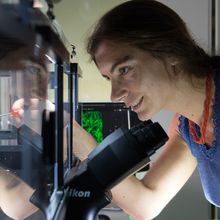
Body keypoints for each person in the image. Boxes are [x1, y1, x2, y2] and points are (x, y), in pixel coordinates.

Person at [73, 0, 220, 219]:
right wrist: (78, 141)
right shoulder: (188, 125)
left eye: (124, 69)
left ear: (171, 53)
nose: (115, 95)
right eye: (109, 78)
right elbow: (146, 202)